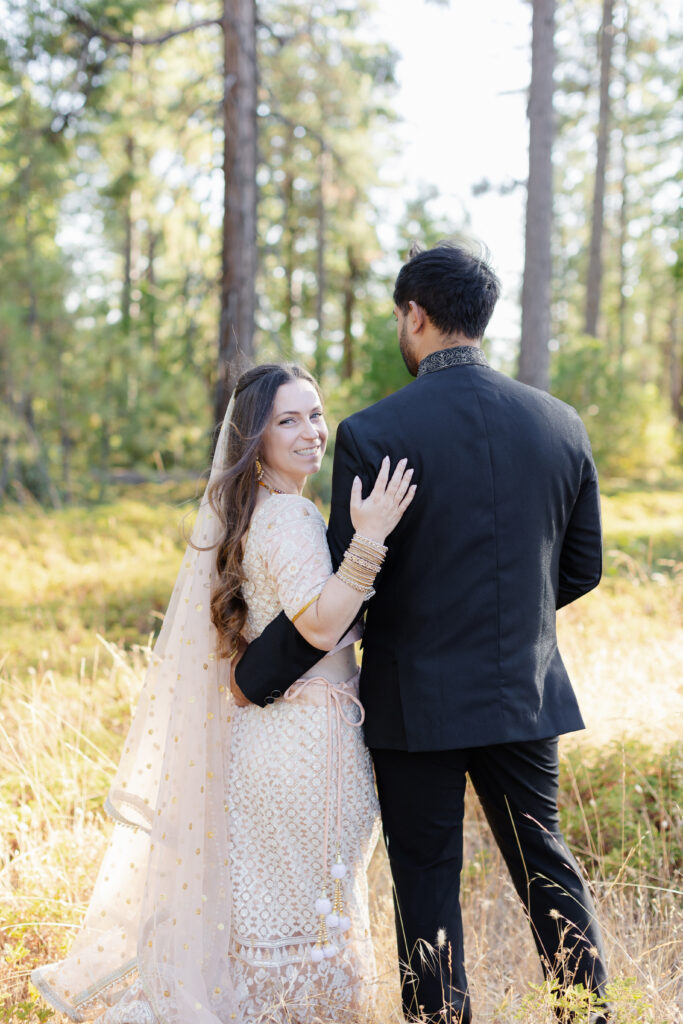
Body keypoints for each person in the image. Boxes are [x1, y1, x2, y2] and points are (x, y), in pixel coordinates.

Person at [234, 243, 611, 1023]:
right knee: (547, 869)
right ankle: (596, 1015)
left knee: (426, 881)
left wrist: (250, 676)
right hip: (522, 693)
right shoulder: (560, 424)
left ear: (414, 314)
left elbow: (348, 585)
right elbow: (580, 569)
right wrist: (509, 628)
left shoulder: (373, 433)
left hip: (414, 704)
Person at [31, 362, 416, 1024]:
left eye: (316, 415)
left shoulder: (257, 512)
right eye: (287, 421)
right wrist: (371, 539)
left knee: (274, 916)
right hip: (305, 744)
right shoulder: (289, 515)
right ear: (253, 438)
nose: (310, 432)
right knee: (310, 919)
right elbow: (320, 624)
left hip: (269, 739)